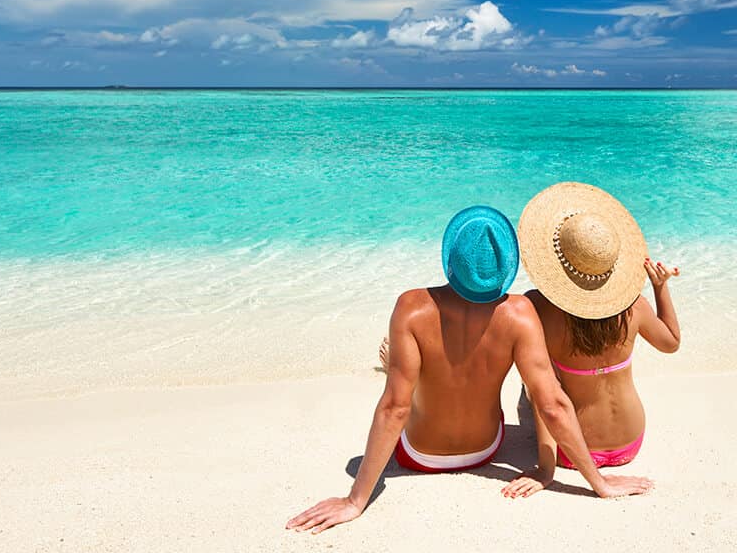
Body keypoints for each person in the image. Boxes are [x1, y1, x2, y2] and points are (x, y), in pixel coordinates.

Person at [286, 206, 652, 535]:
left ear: (450, 262)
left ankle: (398, 365)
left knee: (405, 386)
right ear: (506, 268)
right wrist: (600, 484)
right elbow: (553, 404)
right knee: (535, 384)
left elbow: (394, 409)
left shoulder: (411, 307)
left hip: (420, 455)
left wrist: (355, 500)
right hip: (484, 450)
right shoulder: (520, 313)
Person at [503, 182, 681, 499]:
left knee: (536, 381)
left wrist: (546, 469)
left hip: (572, 453)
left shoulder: (540, 309)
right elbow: (671, 342)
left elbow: (548, 400)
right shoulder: (634, 306)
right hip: (631, 442)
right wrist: (660, 287)